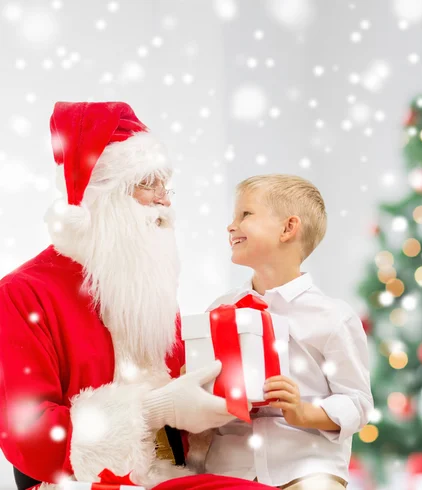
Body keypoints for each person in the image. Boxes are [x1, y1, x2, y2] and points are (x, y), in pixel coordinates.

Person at [0, 102, 274, 490]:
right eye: (148, 184)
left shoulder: (147, 284)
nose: (165, 200)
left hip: (170, 476)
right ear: (103, 194)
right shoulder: (22, 293)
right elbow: (32, 438)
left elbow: (183, 399)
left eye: (167, 185)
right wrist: (152, 410)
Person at [204, 174, 373, 489]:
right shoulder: (220, 311)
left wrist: (304, 413)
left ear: (288, 228)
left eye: (245, 215)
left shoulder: (333, 317)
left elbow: (357, 402)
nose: (231, 226)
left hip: (306, 468)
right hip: (230, 469)